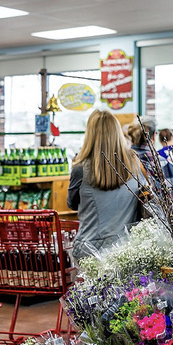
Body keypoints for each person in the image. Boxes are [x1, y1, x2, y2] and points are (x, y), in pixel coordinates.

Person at [67, 110, 144, 261]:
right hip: (128, 248)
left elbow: (72, 204)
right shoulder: (134, 162)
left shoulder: (80, 168)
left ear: (89, 135)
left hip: (90, 251)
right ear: (118, 133)